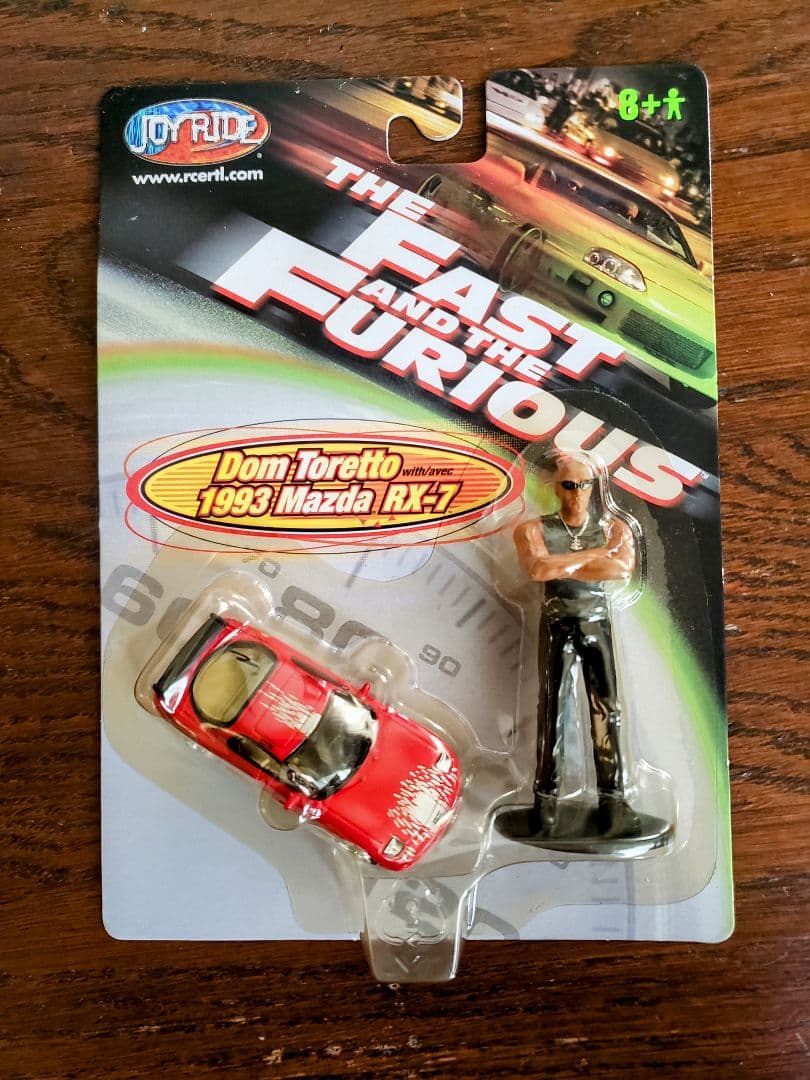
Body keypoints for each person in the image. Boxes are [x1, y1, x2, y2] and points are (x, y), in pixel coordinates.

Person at [497, 454, 671, 853]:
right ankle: (546, 802)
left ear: (595, 487)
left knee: (607, 710)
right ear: (556, 488)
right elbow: (539, 571)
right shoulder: (533, 528)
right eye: (569, 485)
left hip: (596, 623)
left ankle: (613, 801)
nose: (578, 494)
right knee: (552, 711)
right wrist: (593, 557)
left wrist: (563, 564)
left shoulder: (613, 528)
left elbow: (620, 569)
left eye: (585, 484)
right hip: (557, 622)